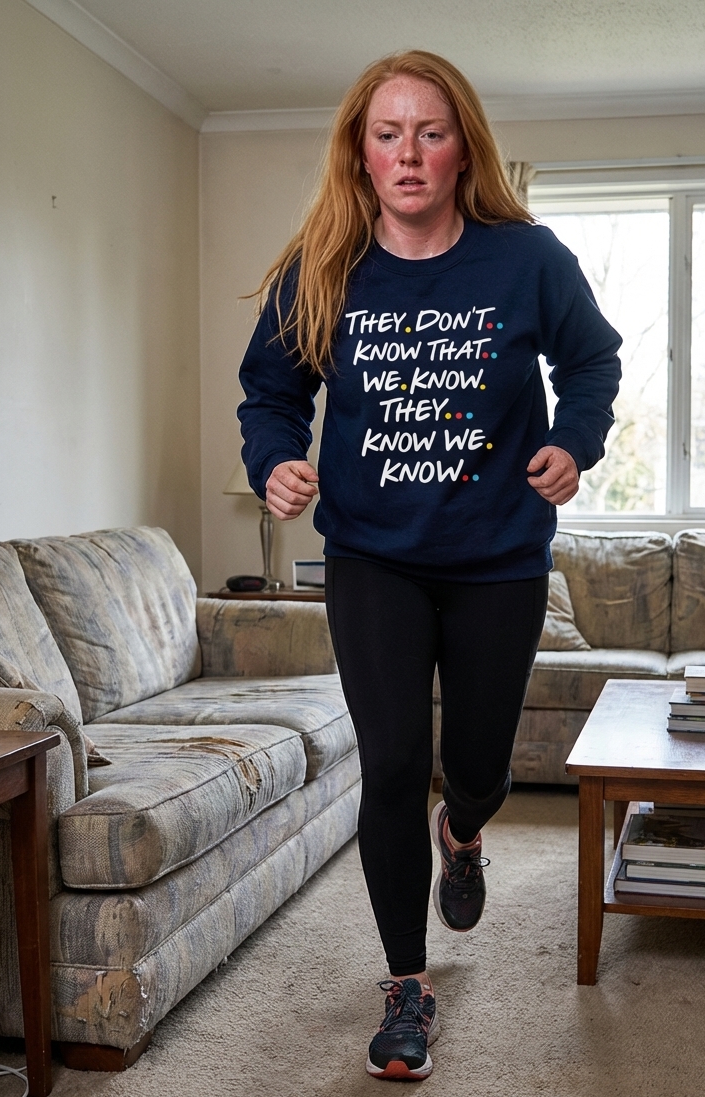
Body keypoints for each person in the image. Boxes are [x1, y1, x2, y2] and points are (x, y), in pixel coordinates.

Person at [237, 49, 622, 1081]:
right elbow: (271, 390)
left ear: (461, 151)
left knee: (480, 766)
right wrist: (275, 457)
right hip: (374, 559)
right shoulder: (322, 265)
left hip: (499, 556)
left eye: (431, 132)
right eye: (388, 134)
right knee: (395, 762)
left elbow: (593, 360)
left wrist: (573, 441)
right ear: (361, 153)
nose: (409, 154)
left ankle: (467, 827)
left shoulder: (526, 259)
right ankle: (407, 985)